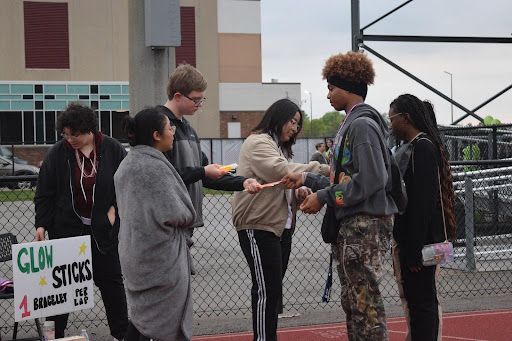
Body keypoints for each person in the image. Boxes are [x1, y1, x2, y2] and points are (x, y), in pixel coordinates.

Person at [282, 51, 398, 340]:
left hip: (365, 226)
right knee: (354, 301)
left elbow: (372, 179)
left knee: (364, 302)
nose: (328, 95)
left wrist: (323, 197)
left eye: (331, 88)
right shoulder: (353, 123)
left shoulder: (362, 126)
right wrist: (309, 179)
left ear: (347, 88)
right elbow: (347, 178)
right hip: (355, 225)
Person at [232, 98, 329, 341]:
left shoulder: (280, 148)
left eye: (297, 124)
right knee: (267, 289)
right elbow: (279, 170)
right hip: (258, 224)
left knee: (272, 290)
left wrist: (298, 192)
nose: (294, 128)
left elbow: (281, 183)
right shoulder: (258, 142)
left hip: (279, 227)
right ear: (277, 118)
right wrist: (321, 170)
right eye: (291, 121)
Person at [34, 103, 128, 340]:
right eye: (66, 134)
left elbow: (126, 183)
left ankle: (122, 334)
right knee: (62, 289)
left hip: (102, 232)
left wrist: (115, 209)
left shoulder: (112, 149)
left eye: (74, 134)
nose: (70, 139)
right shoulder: (58, 153)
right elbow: (44, 192)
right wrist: (41, 225)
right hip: (67, 231)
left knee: (112, 283)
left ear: (90, 130)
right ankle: (55, 336)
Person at [114, 108, 197, 341]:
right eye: (169, 128)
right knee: (161, 323)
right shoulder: (153, 168)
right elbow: (179, 212)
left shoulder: (128, 164)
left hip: (136, 252)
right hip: (160, 258)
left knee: (142, 319)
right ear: (156, 135)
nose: (173, 132)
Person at [156, 64, 260, 238]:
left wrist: (242, 182)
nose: (200, 105)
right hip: (166, 221)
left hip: (185, 220)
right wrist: (203, 171)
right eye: (196, 99)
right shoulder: (158, 126)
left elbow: (206, 175)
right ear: (178, 96)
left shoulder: (188, 128)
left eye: (202, 100)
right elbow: (163, 176)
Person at [389, 94, 456, 341]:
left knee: (423, 303)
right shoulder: (415, 147)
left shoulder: (424, 148)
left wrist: (415, 248)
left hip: (420, 243)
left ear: (406, 118)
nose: (390, 125)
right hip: (413, 240)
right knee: (417, 302)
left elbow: (423, 203)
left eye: (392, 119)